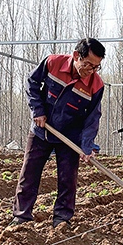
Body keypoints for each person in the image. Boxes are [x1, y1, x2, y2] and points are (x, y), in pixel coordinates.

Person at [10, 38, 106, 228]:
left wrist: (86, 146)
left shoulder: (96, 84)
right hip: (42, 129)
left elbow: (92, 118)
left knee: (67, 180)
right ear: (76, 56)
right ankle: (21, 217)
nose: (91, 71)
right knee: (29, 174)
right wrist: (37, 111)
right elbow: (32, 82)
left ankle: (62, 220)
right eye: (88, 65)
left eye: (97, 67)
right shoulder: (53, 63)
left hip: (70, 137)